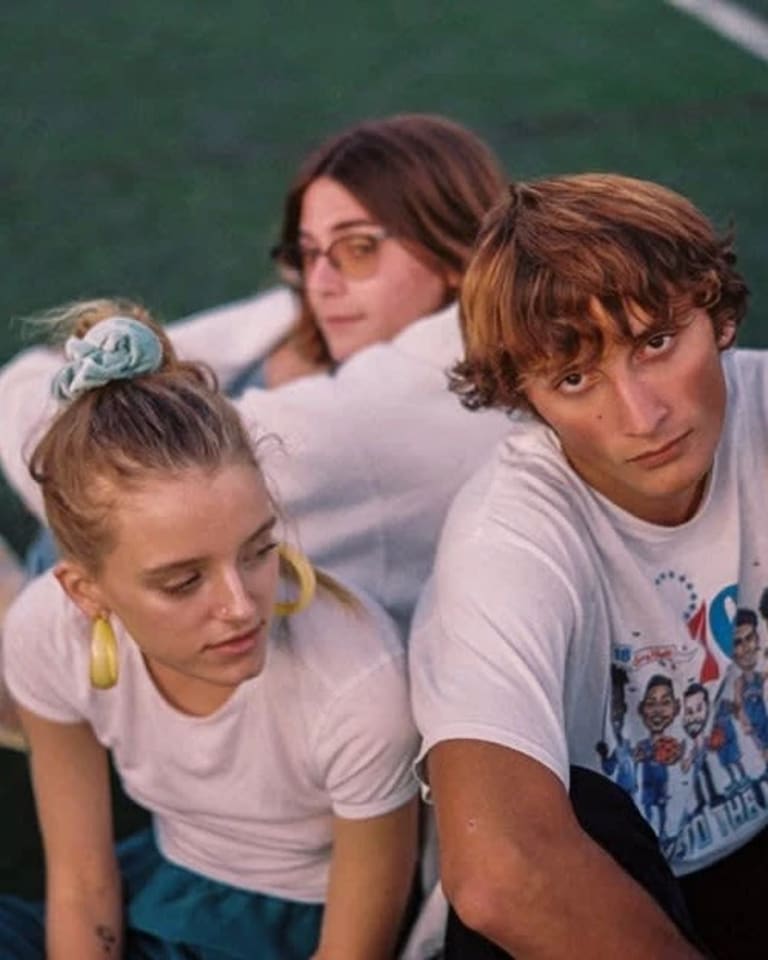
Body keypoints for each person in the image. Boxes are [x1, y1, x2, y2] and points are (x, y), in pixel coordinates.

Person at [409, 173, 765, 959]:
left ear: (721, 314)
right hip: (608, 891)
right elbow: (502, 872)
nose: (641, 416)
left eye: (656, 343)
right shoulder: (507, 536)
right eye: (575, 379)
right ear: (527, 399)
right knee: (574, 821)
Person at [0, 301, 420, 959]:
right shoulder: (46, 634)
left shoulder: (360, 687)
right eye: (183, 581)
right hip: (158, 886)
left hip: (299, 929)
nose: (241, 606)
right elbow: (82, 884)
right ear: (85, 591)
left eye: (257, 550)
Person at [0, 113, 511, 633]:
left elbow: (40, 421)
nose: (321, 284)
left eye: (359, 249)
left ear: (456, 250)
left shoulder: (365, 417)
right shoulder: (498, 347)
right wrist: (290, 321)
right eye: (307, 256)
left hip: (140, 650)